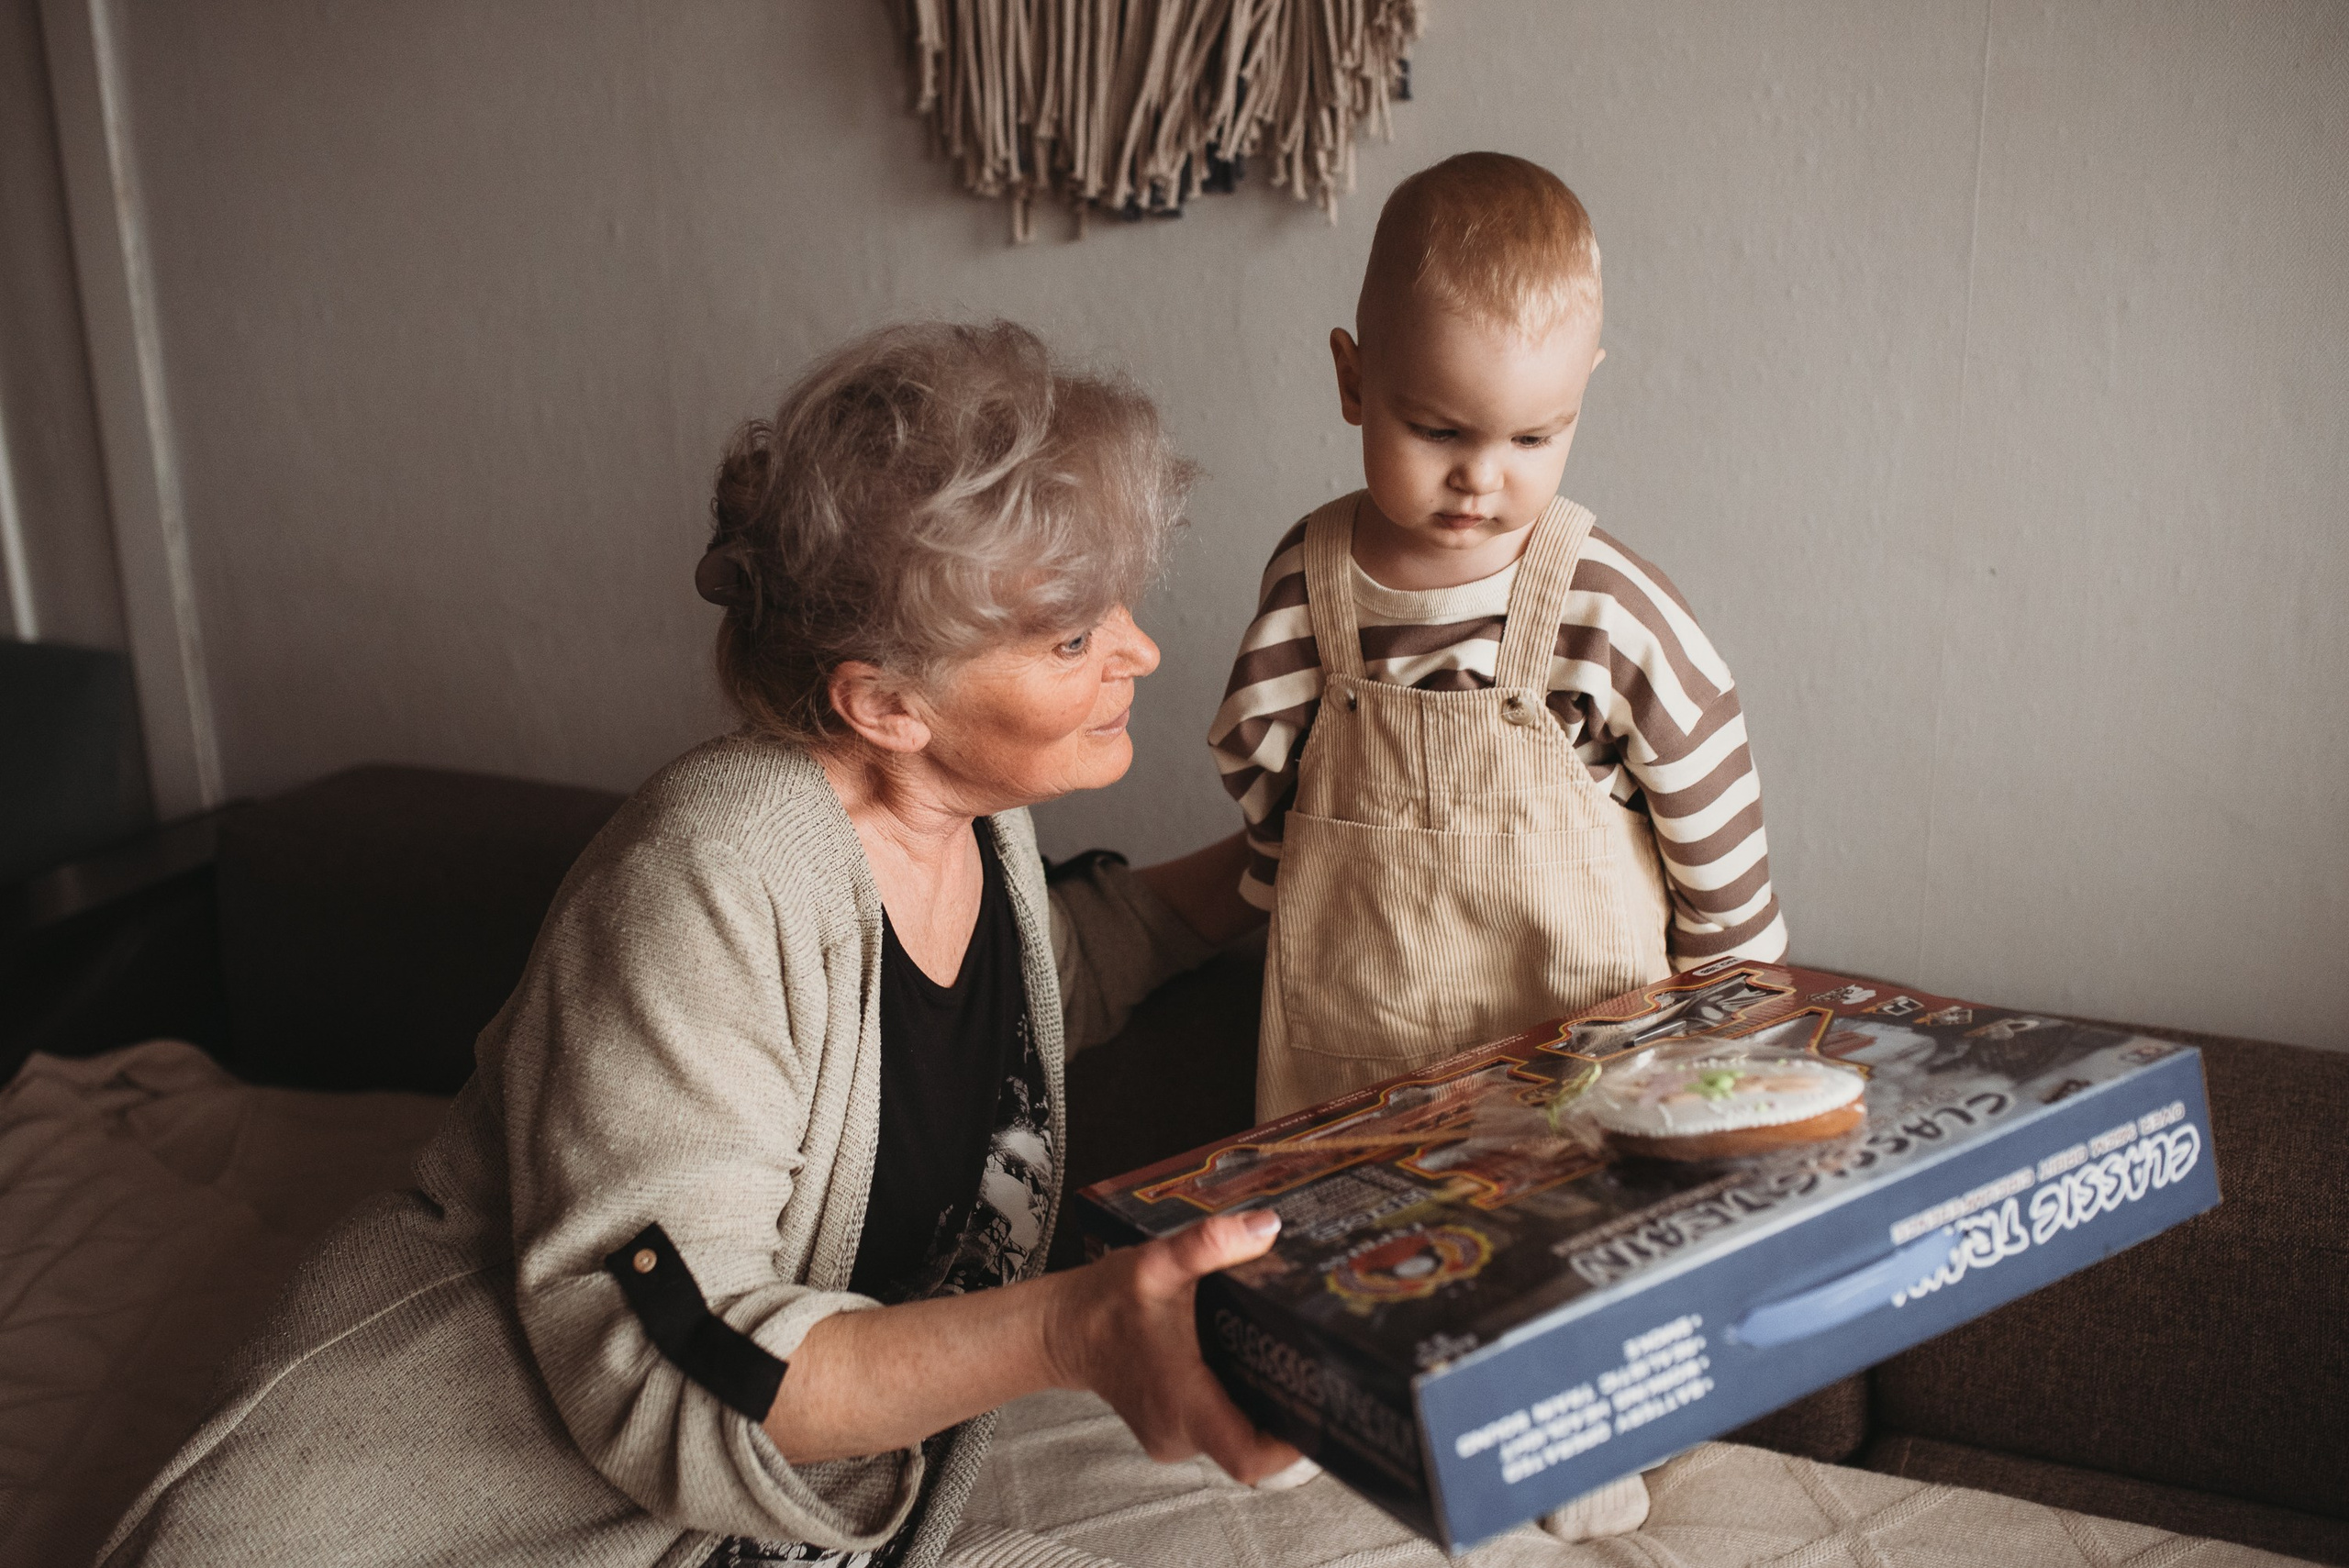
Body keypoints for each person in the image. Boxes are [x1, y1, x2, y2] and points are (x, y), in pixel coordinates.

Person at [100, 321, 1297, 1568]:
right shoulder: (708, 874)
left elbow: (1045, 975)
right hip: (442, 1514)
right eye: (1072, 638)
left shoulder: (967, 820)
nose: (1139, 651)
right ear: (886, 702)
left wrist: (1288, 847)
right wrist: (1067, 1331)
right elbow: (671, 1351)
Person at [1208, 151, 1791, 1129]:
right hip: (1351, 1067)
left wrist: (1739, 1012)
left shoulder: (1604, 605)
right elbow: (1262, 768)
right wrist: (1280, 911)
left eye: (1531, 439)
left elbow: (1711, 813)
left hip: (1586, 1065)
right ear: (1354, 379)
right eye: (1437, 431)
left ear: (1581, 393)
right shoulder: (1309, 585)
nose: (1481, 478)